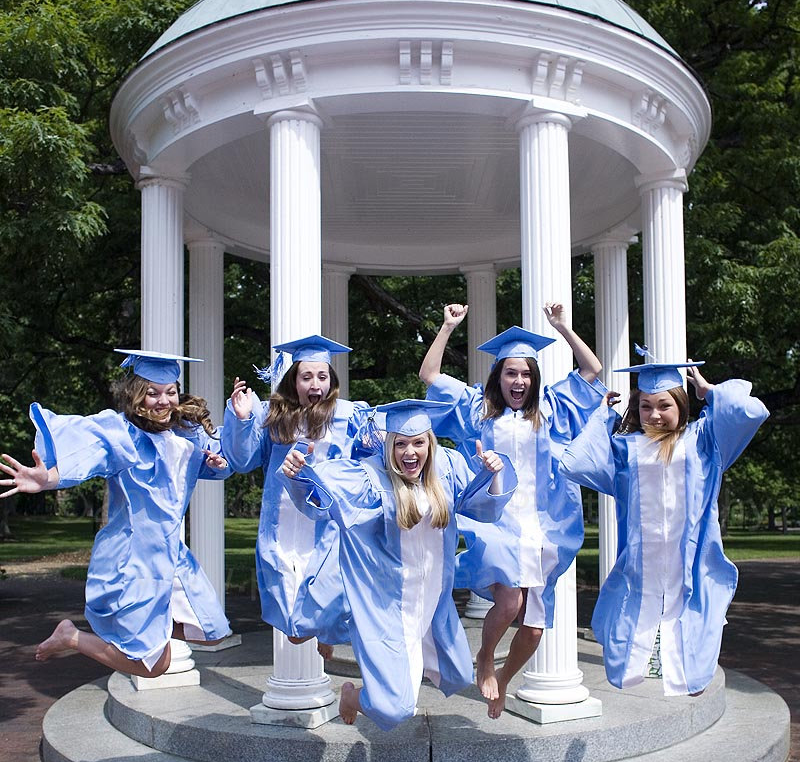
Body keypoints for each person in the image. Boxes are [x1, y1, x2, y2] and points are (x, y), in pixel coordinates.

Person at [280, 398, 517, 730]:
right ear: (389, 444)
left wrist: (492, 473)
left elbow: (484, 508)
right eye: (401, 443)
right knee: (396, 709)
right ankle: (355, 696)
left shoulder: (446, 468)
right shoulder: (370, 478)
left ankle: (383, 690)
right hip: (388, 604)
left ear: (429, 443)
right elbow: (321, 500)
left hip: (433, 600)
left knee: (459, 673)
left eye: (418, 442)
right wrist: (297, 474)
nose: (410, 452)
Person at [419, 303, 605, 718]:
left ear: (533, 378)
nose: (518, 380)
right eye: (510, 372)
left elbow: (592, 370)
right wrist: (448, 326)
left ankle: (503, 679)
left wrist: (563, 328)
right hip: (497, 521)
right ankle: (485, 655)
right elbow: (429, 376)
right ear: (498, 376)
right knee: (507, 604)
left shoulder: (553, 409)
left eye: (525, 373)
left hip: (543, 528)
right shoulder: (476, 409)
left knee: (535, 629)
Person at [0, 350, 232, 678]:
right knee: (153, 666)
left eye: (170, 392)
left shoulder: (184, 436)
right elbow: (87, 456)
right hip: (133, 559)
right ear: (136, 395)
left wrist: (215, 460)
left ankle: (149, 628)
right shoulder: (122, 436)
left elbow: (213, 465)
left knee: (212, 633)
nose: (163, 401)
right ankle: (72, 637)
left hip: (172, 557)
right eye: (152, 393)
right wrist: (47, 478)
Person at [560, 357, 769, 695]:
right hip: (640, 568)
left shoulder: (703, 440)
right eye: (645, 406)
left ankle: (690, 675)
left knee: (695, 647)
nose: (654, 414)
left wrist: (709, 392)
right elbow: (575, 463)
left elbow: (752, 412)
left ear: (681, 404)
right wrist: (601, 417)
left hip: (691, 564)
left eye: (663, 405)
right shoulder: (624, 449)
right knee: (628, 638)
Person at [222, 335, 370, 658]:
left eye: (322, 376)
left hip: (326, 528)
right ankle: (318, 630)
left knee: (328, 590)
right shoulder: (273, 416)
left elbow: (371, 456)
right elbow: (242, 459)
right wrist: (242, 417)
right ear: (294, 381)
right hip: (283, 529)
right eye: (306, 377)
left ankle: (325, 631)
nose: (315, 384)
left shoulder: (348, 416)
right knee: (293, 623)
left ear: (331, 381)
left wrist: (381, 437)